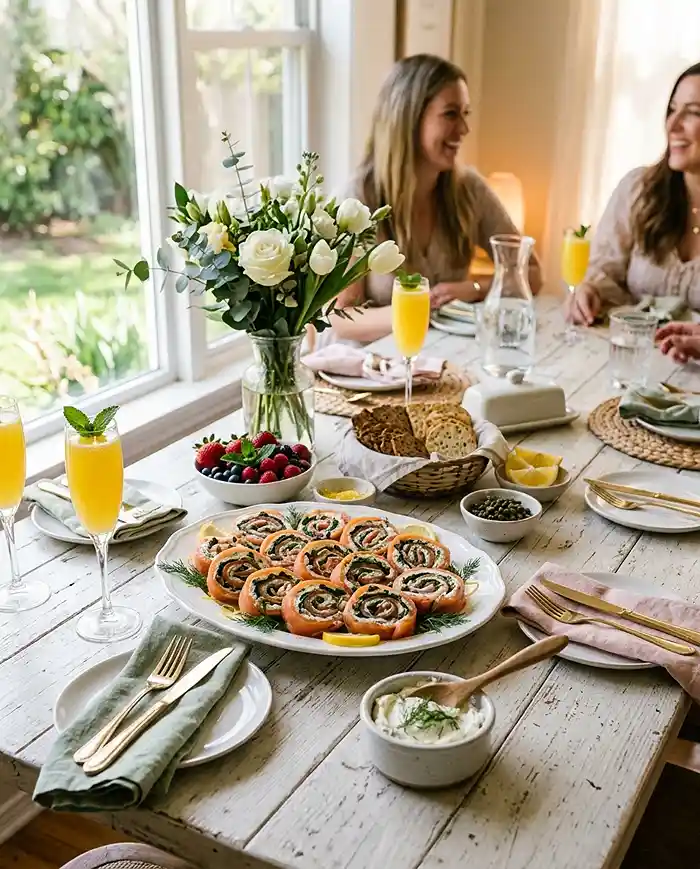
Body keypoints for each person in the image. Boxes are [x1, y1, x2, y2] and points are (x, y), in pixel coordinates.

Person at [329, 53, 542, 344]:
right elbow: (341, 317)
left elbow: (532, 273)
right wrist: (415, 308)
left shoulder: (469, 189)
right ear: (410, 118)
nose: (464, 129)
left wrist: (475, 288)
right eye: (451, 114)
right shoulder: (357, 201)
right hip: (369, 360)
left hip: (441, 356)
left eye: (465, 114)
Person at [570, 62, 700, 326]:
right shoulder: (638, 189)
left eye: (693, 113)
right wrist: (590, 292)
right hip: (630, 350)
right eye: (672, 110)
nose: (672, 125)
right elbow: (605, 273)